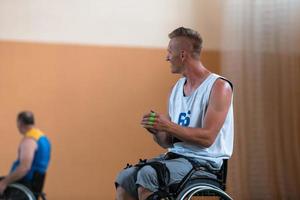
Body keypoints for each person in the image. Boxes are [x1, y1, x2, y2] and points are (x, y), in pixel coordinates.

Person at [115, 27, 234, 200]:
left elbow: (208, 138)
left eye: (170, 52)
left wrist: (168, 125)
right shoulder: (175, 90)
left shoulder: (219, 87)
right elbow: (168, 142)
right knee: (125, 178)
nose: (167, 57)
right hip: (177, 157)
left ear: (183, 55)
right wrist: (157, 131)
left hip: (206, 164)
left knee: (148, 175)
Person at [0, 111, 51, 196]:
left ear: (20, 122)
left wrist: (4, 183)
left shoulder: (29, 140)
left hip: (25, 183)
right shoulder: (42, 138)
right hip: (36, 183)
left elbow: (24, 168)